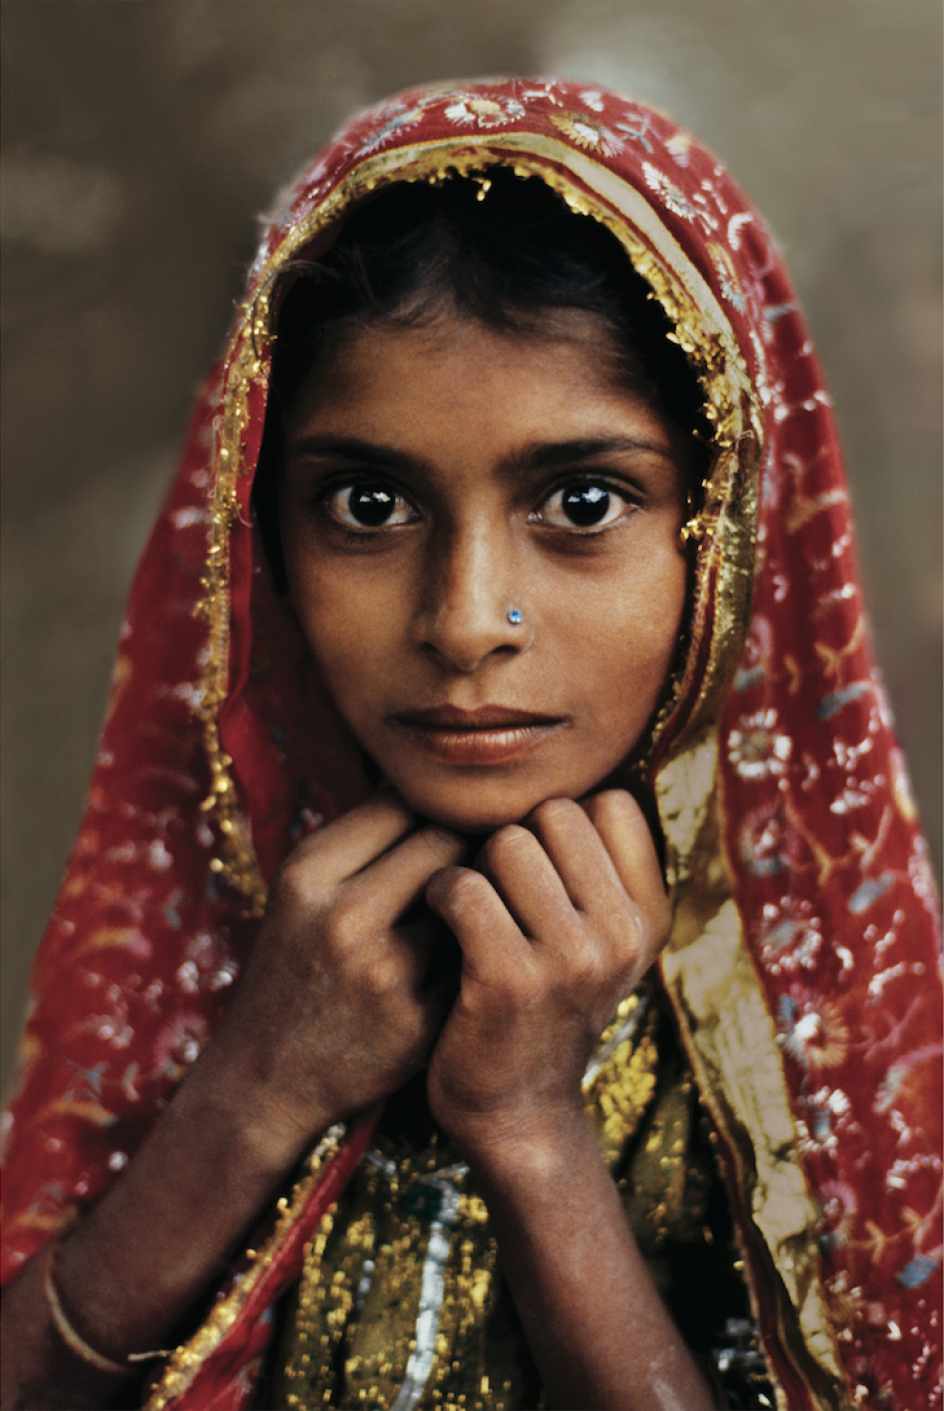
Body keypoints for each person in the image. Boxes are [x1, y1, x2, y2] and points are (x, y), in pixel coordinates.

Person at [1, 79, 940, 1411]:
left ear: (728, 528)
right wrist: (252, 1090)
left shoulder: (844, 1053)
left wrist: (530, 1128)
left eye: (583, 502)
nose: (462, 621)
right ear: (261, 537)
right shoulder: (205, 946)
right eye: (368, 503)